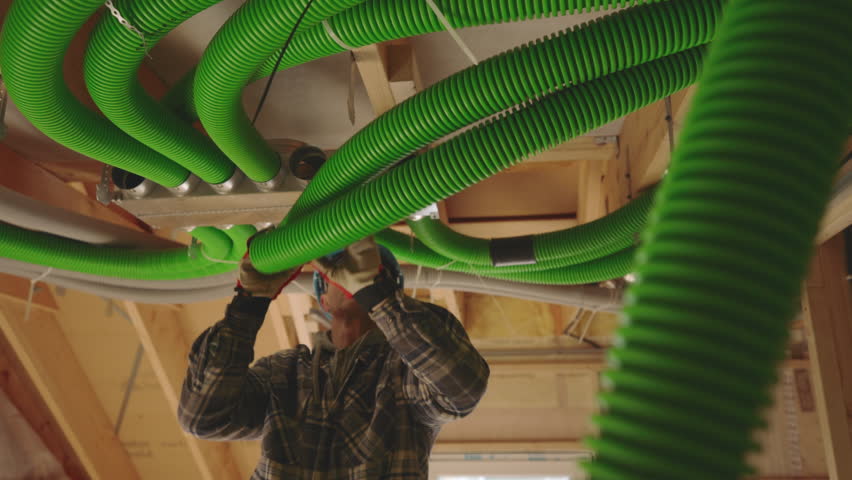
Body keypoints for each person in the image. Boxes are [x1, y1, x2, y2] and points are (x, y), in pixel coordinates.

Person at [178, 236, 490, 478]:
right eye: (340, 270)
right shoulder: (283, 373)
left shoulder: (405, 371)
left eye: (367, 273)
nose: (351, 276)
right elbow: (203, 417)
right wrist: (249, 304)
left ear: (391, 289)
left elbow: (462, 387)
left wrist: (378, 297)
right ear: (322, 297)